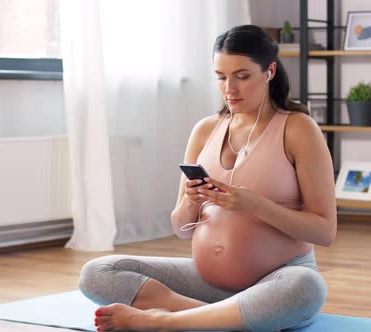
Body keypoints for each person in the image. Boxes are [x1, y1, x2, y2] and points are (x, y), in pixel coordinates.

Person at [78, 24, 337, 332]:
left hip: (277, 279)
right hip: (205, 282)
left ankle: (167, 322)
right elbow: (180, 228)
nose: (230, 88)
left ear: (269, 71)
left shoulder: (298, 128)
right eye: (221, 77)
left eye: (242, 76)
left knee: (306, 289)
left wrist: (255, 205)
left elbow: (324, 231)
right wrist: (191, 199)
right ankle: (219, 319)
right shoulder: (205, 130)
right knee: (98, 272)